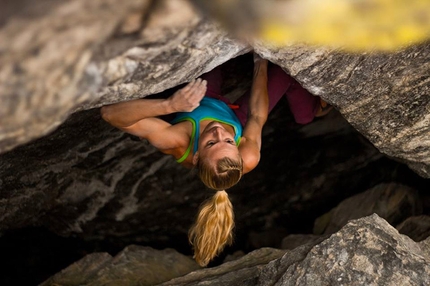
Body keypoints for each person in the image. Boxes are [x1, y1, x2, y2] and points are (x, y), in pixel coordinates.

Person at [101, 53, 331, 266]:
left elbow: (110, 114)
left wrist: (170, 105)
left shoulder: (176, 140)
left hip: (201, 101)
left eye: (211, 143)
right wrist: (260, 61)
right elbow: (257, 115)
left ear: (198, 155)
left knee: (211, 56)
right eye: (229, 142)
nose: (219, 132)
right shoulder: (247, 157)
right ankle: (308, 114)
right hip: (236, 116)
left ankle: (308, 114)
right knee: (284, 72)